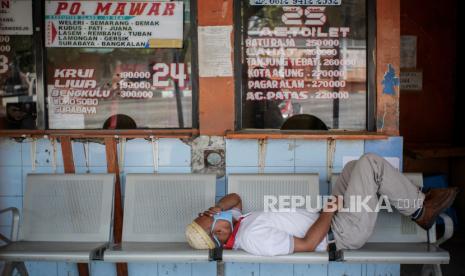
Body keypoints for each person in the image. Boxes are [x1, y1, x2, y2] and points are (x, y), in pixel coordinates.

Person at [185, 153, 459, 256]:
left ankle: (419, 200)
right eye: (211, 217)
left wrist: (217, 208)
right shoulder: (253, 238)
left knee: (353, 167)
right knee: (371, 165)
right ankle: (422, 209)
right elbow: (306, 245)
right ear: (218, 234)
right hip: (340, 233)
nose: (213, 211)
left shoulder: (237, 222)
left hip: (333, 219)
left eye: (208, 212)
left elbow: (234, 198)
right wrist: (329, 211)